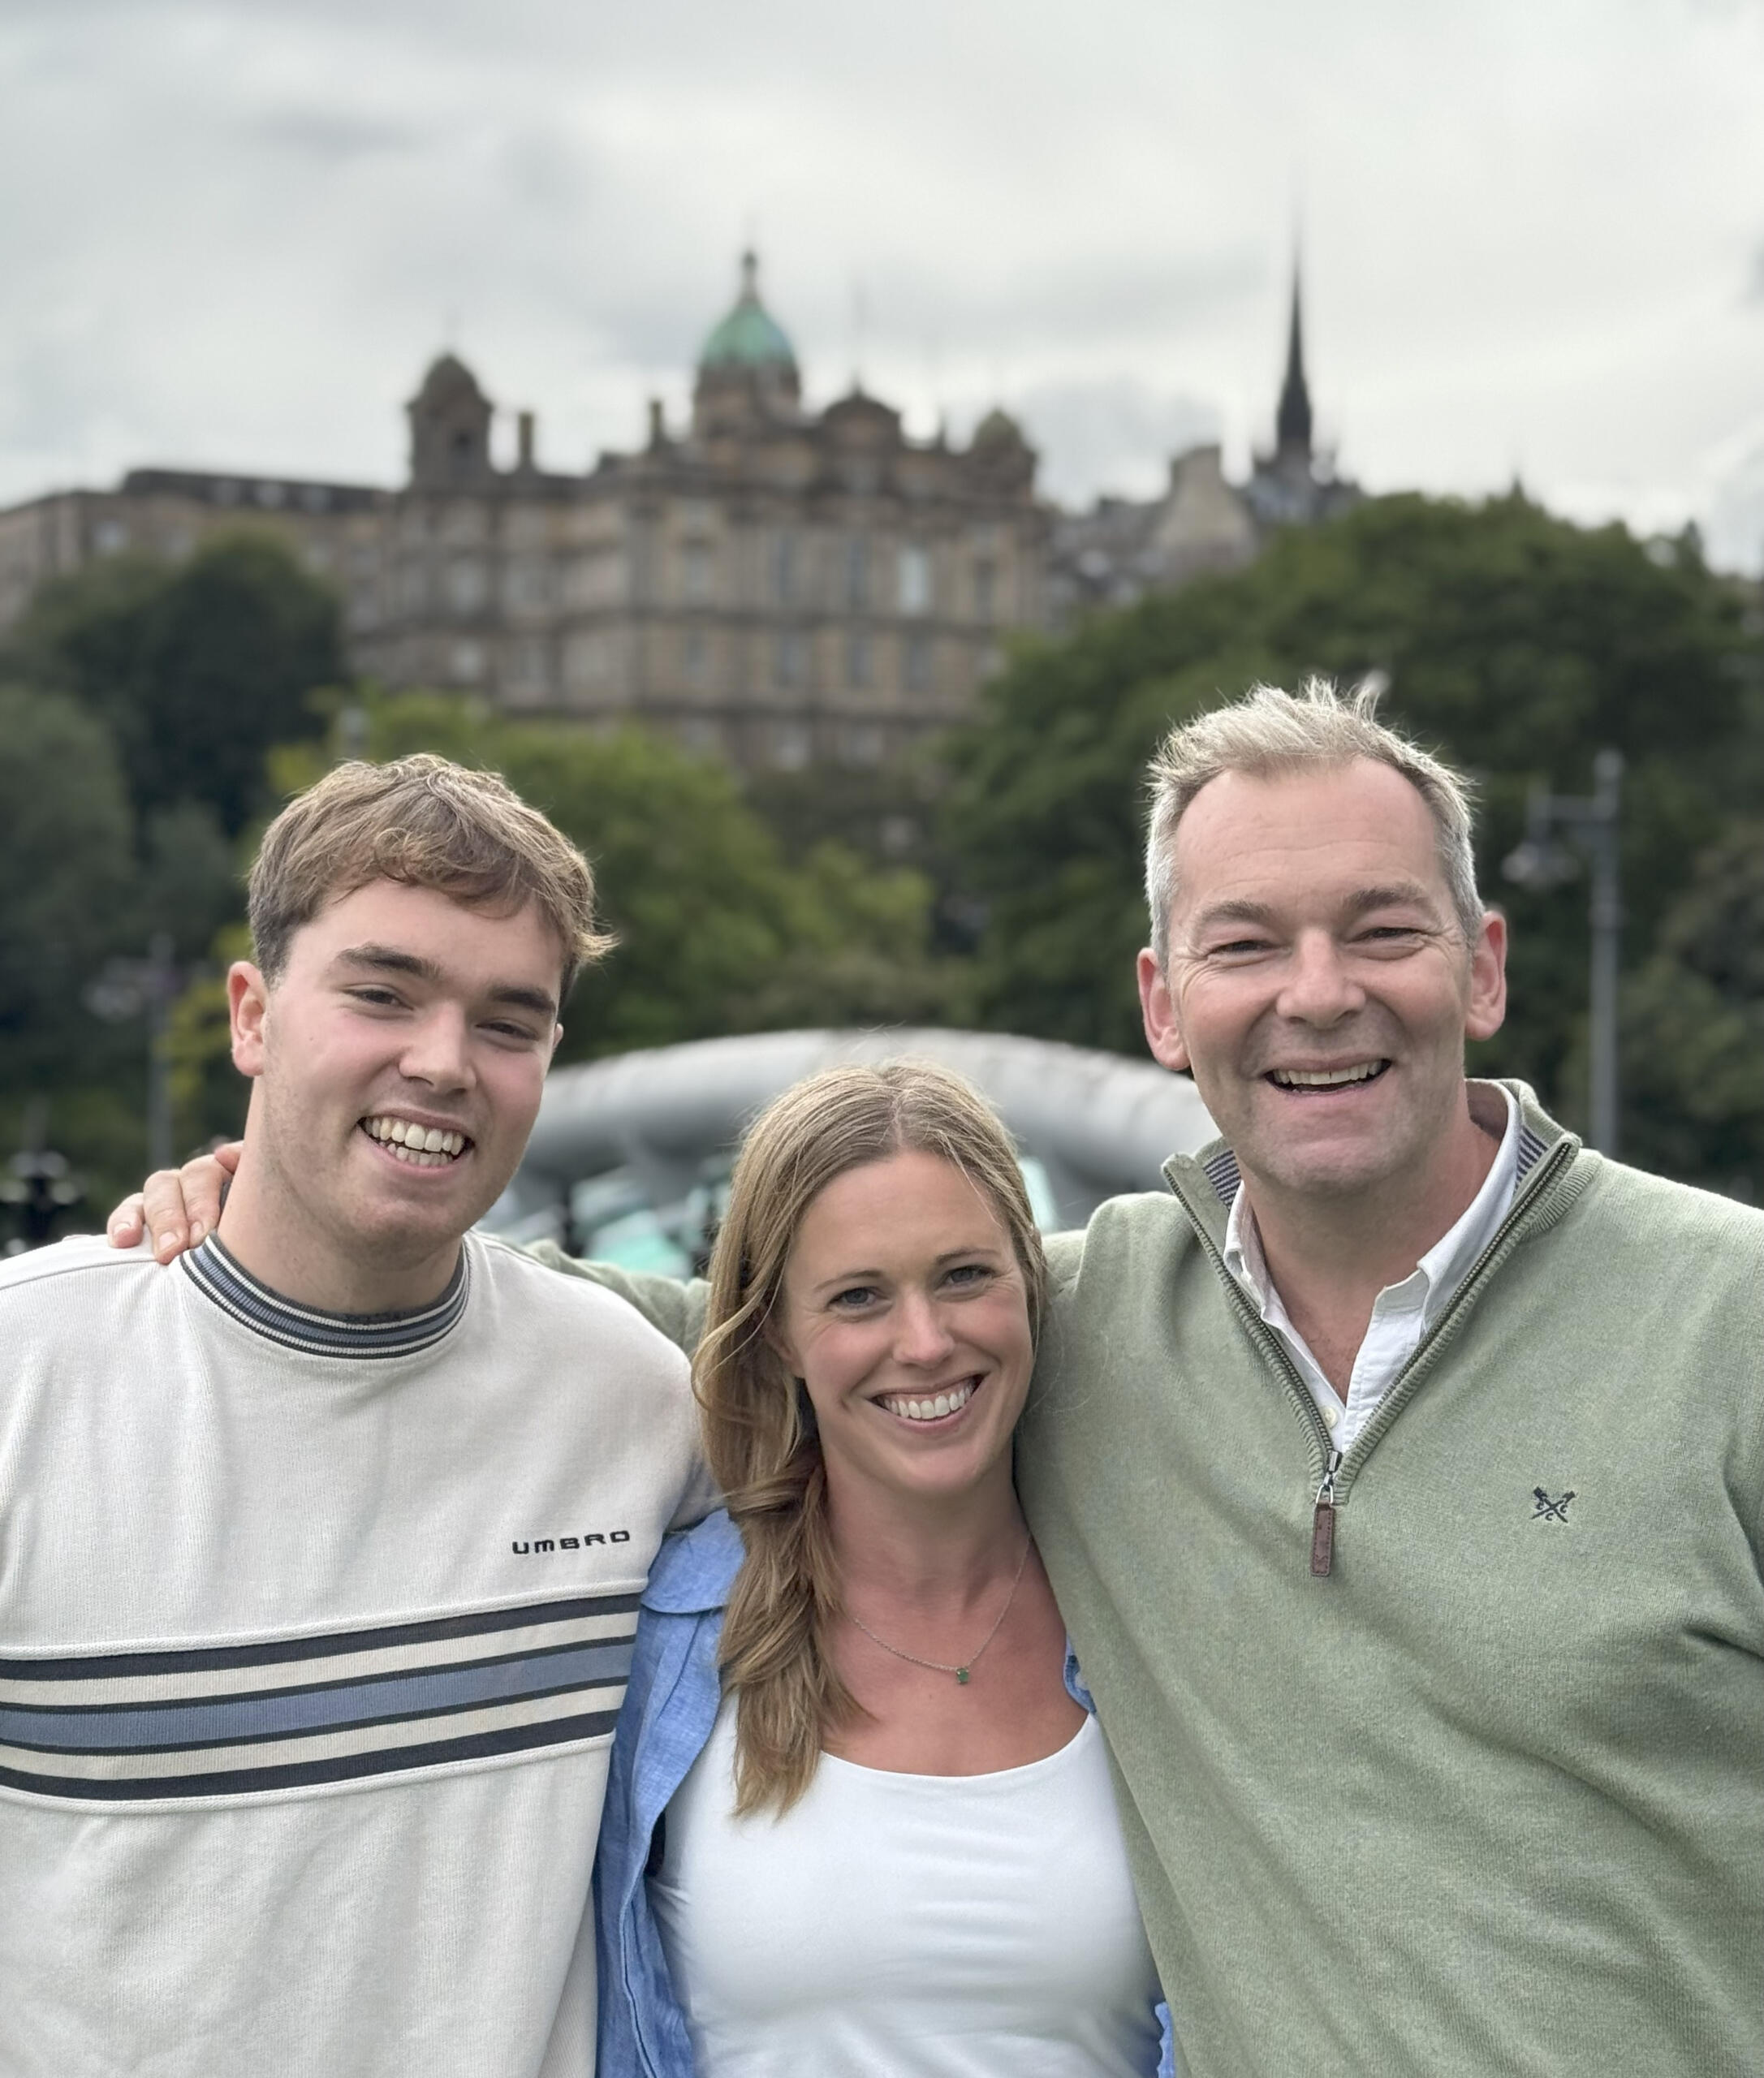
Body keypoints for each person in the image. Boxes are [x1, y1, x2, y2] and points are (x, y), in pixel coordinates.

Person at [114, 680, 1764, 2076]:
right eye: (1245, 941)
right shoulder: (1102, 1315)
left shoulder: (1725, 1320)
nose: (1315, 992)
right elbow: (736, 1309)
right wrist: (268, 1196)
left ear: (1482, 963)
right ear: (1162, 1005)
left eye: (1379, 930)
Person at [3, 755, 711, 2077]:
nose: (442, 1063)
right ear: (252, 1016)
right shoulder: (26, 1379)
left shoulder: (629, 1403)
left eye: (510, 1023)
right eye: (382, 994)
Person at [594, 1060, 1168, 2077]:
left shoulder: (1157, 1621)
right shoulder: (668, 1644)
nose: (925, 1342)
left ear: (1031, 1281)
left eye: (963, 1275)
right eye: (858, 1297)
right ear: (777, 1336)